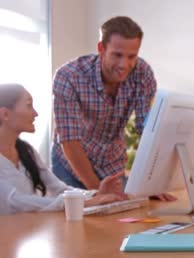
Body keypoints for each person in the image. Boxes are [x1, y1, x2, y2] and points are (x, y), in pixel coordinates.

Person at [51, 16, 174, 201]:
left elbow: (147, 130)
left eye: (131, 56)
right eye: (117, 55)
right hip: (71, 167)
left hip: (112, 166)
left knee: (119, 223)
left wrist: (150, 183)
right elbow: (69, 140)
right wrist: (98, 192)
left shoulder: (142, 73)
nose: (124, 65)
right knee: (77, 225)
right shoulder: (69, 76)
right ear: (101, 48)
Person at [0, 84, 125, 215]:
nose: (35, 113)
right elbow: (14, 201)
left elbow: (59, 189)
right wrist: (78, 203)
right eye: (28, 105)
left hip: (28, 231)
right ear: (5, 114)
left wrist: (96, 194)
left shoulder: (27, 151)